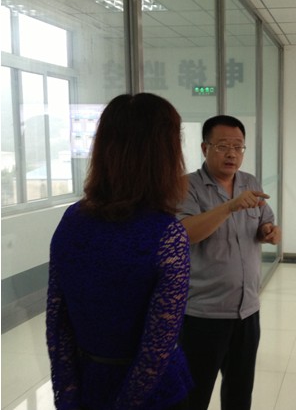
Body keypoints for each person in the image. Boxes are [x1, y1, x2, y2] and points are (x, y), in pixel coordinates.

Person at [46, 93, 193, 410]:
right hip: (152, 396)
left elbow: (57, 321)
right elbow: (157, 350)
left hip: (89, 383)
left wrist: (68, 394)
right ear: (165, 155)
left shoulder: (72, 220)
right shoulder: (167, 235)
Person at [178, 114, 281, 410]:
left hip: (247, 311)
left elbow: (264, 220)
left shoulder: (249, 182)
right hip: (203, 314)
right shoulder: (187, 187)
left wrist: (268, 231)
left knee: (239, 394)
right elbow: (185, 233)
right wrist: (229, 206)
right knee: (193, 397)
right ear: (204, 148)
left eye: (238, 147)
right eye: (223, 146)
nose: (232, 154)